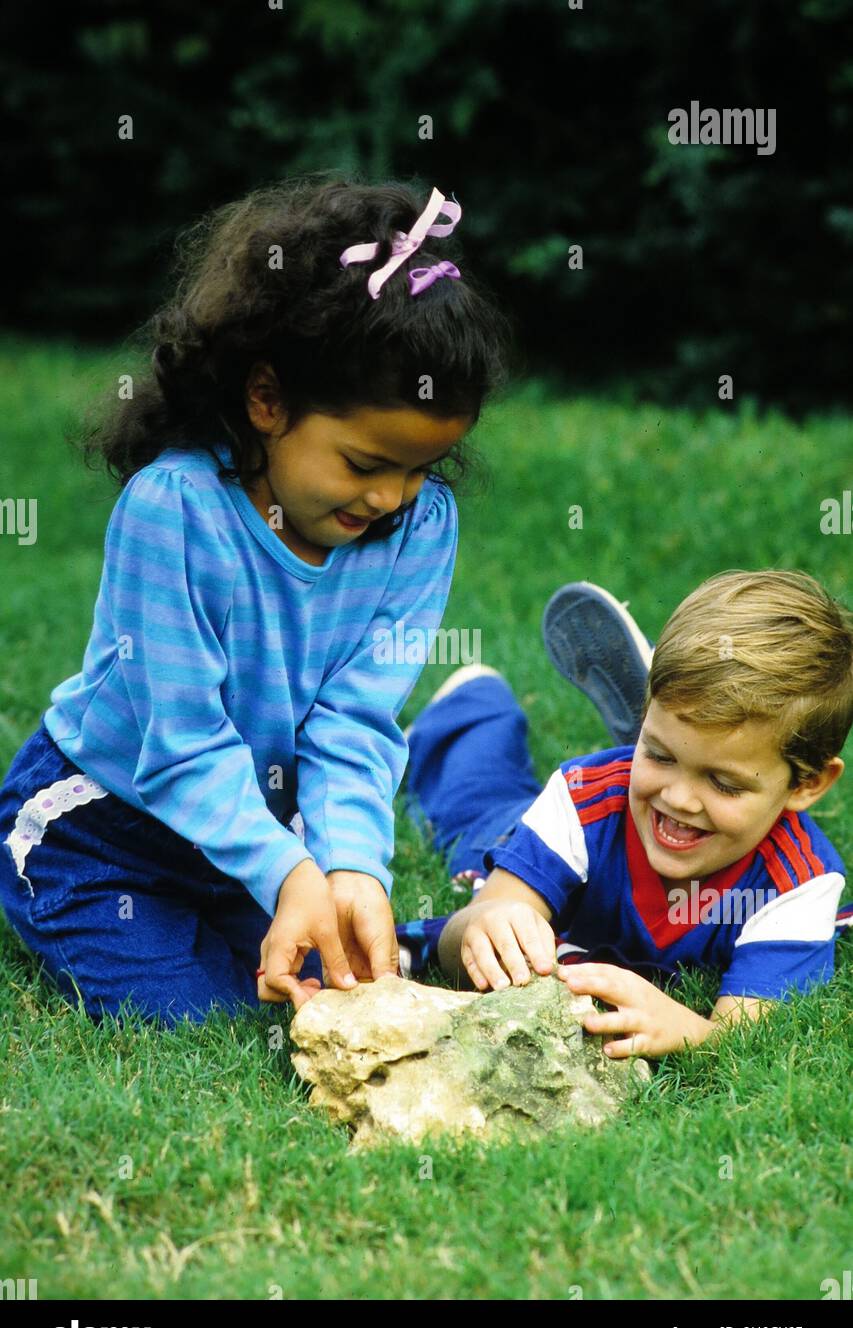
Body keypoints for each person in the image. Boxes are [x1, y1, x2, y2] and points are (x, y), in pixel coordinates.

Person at [0, 175, 514, 1026]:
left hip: (249, 839)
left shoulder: (419, 526)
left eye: (419, 468)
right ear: (268, 399)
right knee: (207, 1015)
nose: (392, 498)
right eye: (363, 463)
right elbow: (181, 743)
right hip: (102, 831)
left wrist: (348, 869)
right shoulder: (177, 511)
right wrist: (288, 874)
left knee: (334, 980)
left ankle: (430, 919)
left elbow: (352, 720)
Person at [397, 570, 853, 1057]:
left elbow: (747, 1033)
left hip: (626, 812)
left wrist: (683, 1030)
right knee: (478, 802)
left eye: (723, 782)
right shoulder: (578, 804)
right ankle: (470, 706)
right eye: (659, 754)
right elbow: (463, 937)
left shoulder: (798, 884)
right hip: (571, 823)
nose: (679, 798)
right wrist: (488, 923)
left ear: (808, 784)